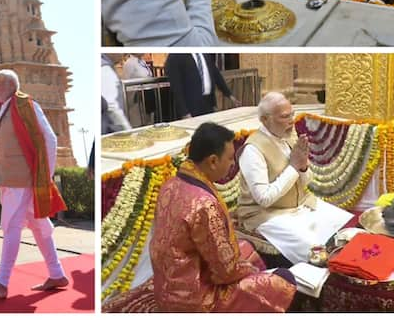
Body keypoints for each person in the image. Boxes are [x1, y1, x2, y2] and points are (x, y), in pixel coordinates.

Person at [150, 122, 296, 312]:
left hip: (167, 284)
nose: (233, 164)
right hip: (196, 299)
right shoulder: (203, 204)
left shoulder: (171, 184)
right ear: (212, 161)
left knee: (246, 248)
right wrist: (250, 271)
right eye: (229, 158)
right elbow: (225, 272)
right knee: (284, 279)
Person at [0, 70, 68, 299]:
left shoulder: (26, 106)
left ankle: (2, 282)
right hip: (7, 179)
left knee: (11, 224)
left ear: (12, 85)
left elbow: (50, 138)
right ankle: (56, 273)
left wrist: (45, 174)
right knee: (38, 225)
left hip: (23, 178)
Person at [236, 92, 353, 264]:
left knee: (343, 226)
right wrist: (294, 167)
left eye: (292, 114)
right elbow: (264, 199)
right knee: (315, 249)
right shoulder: (252, 150)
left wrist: (303, 166)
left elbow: (307, 181)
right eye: (284, 116)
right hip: (266, 215)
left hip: (300, 205)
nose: (292, 120)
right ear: (265, 120)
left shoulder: (289, 135)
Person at [165, 53, 240, 119]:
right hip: (191, 107)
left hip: (209, 103)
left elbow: (216, 74)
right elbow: (176, 88)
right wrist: (184, 112)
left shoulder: (204, 53)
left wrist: (229, 95)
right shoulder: (175, 56)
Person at [122, 53, 156, 125]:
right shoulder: (129, 63)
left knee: (149, 121)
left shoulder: (142, 62)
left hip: (148, 96)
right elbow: (126, 82)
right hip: (136, 99)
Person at [101, 54, 131, 132]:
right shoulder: (104, 68)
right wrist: (127, 130)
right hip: (109, 130)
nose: (122, 54)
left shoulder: (105, 65)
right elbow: (112, 106)